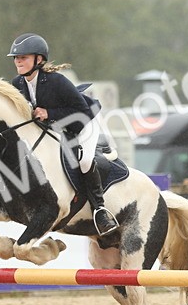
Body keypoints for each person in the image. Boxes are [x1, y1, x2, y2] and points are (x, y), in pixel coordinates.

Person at [6, 32, 117, 235]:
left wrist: (49, 113)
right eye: (16, 58)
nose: (18, 61)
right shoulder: (18, 84)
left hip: (84, 122)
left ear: (38, 59)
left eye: (23, 57)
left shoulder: (56, 81)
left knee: (83, 161)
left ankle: (100, 211)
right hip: (58, 126)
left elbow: (82, 111)